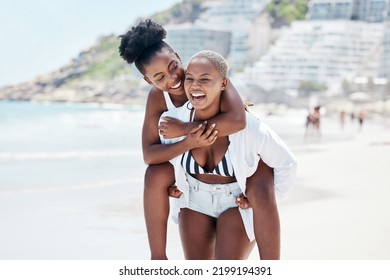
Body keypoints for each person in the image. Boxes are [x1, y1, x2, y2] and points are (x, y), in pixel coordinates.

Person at [118, 19, 252, 259]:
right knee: (155, 174)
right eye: (160, 77)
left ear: (179, 57)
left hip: (231, 175)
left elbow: (237, 121)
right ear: (150, 82)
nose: (172, 78)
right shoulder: (158, 98)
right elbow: (149, 154)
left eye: (173, 66)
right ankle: (158, 257)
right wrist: (189, 142)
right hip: (189, 173)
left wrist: (185, 129)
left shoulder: (205, 73)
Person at [159, 50, 297, 259]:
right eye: (190, 79)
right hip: (194, 200)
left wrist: (264, 201)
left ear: (223, 84)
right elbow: (160, 159)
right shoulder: (174, 121)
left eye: (205, 79)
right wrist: (170, 184)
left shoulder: (248, 128)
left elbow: (287, 163)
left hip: (236, 202)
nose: (195, 85)